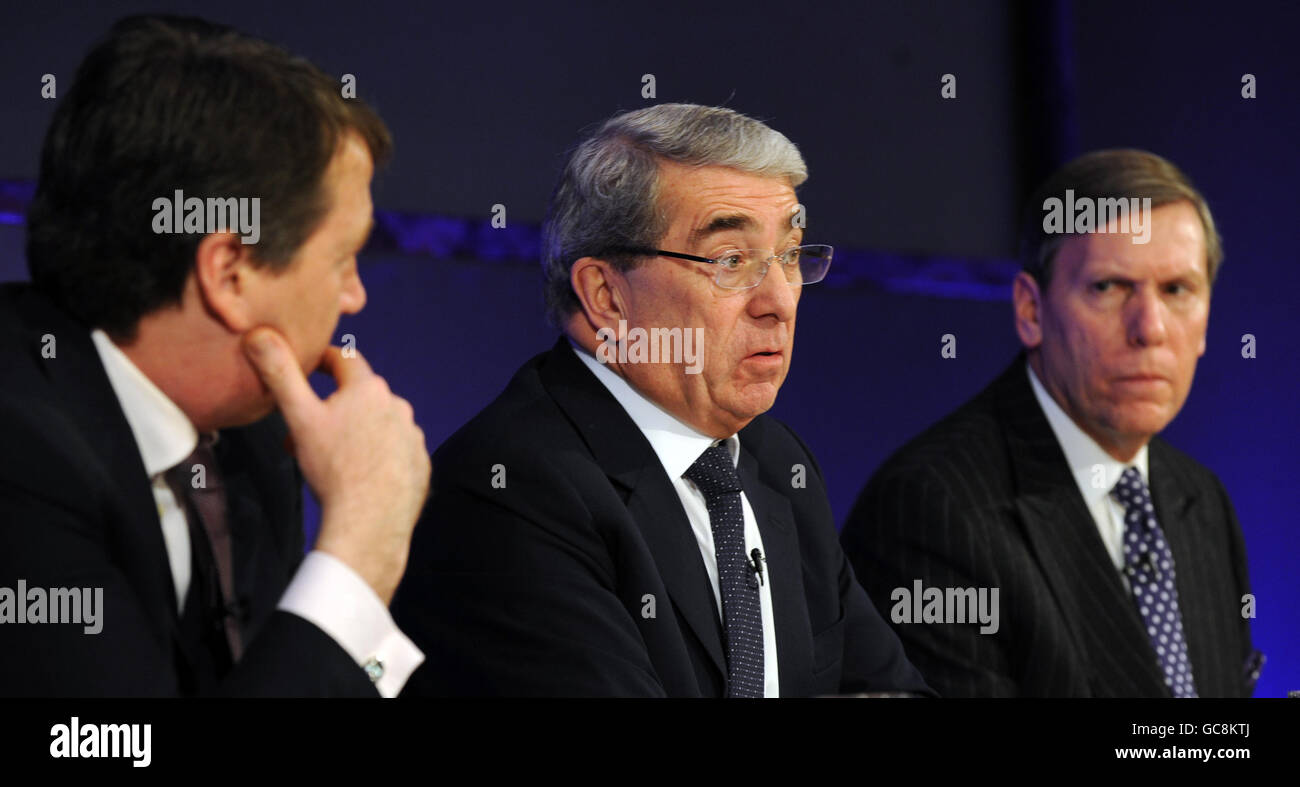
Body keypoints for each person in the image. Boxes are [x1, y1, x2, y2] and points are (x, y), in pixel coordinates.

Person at [392, 103, 930, 697]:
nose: (778, 299)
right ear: (606, 296)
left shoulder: (775, 463)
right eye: (731, 261)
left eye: (790, 255)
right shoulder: (510, 491)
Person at [0, 15, 430, 697]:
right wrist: (356, 551)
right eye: (344, 257)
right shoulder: (20, 453)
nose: (355, 297)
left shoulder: (252, 439)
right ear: (230, 271)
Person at [841, 149, 1260, 697]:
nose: (1150, 328)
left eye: (1177, 290)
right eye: (1109, 288)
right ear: (1031, 311)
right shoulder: (931, 510)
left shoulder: (1202, 500)